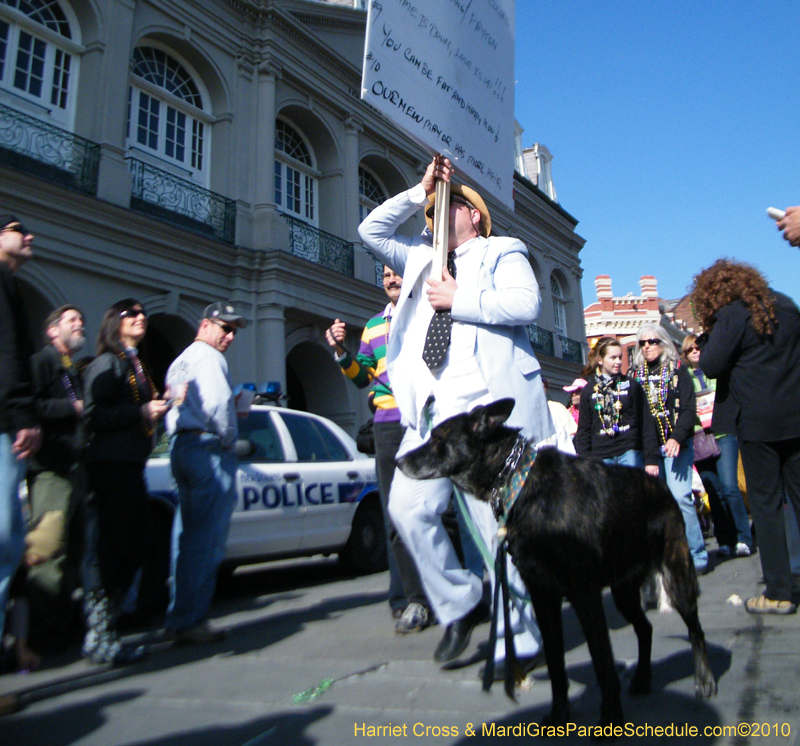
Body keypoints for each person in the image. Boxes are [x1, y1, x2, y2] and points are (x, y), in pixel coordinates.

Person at [358, 155, 554, 673]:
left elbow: (527, 304)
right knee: (407, 507)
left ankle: (522, 637)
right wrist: (417, 189)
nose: (433, 215)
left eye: (445, 206)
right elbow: (369, 230)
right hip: (431, 410)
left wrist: (458, 297)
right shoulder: (419, 258)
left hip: (486, 409)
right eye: (428, 212)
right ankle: (461, 601)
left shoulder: (502, 250)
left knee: (495, 527)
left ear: (473, 214)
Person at [326, 267, 435, 633]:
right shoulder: (373, 326)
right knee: (394, 513)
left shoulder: (425, 315)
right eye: (386, 274)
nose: (390, 279)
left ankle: (445, 593)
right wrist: (341, 352)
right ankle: (406, 597)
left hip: (424, 422)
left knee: (436, 510)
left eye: (396, 273)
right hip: (387, 426)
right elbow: (361, 376)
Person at [692, 259, 800, 614]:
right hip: (796, 415)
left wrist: (709, 334)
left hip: (758, 421)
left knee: (766, 507)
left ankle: (779, 592)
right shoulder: (786, 304)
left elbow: (710, 365)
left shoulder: (732, 315)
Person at [82, 299, 169, 663]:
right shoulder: (107, 363)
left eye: (143, 312)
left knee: (136, 544)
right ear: (113, 322)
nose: (140, 317)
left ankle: (109, 625)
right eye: (131, 313)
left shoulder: (136, 364)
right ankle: (100, 633)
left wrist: (158, 406)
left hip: (132, 463)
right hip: (110, 464)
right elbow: (94, 414)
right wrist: (142, 411)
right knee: (112, 548)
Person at [164, 302, 246, 643]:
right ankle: (191, 620)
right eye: (225, 328)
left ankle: (178, 615)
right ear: (205, 325)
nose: (230, 336)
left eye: (234, 331)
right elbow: (218, 406)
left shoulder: (179, 361)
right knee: (207, 539)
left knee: (185, 537)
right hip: (207, 449)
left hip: (180, 445)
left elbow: (176, 404)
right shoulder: (212, 358)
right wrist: (229, 439)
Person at [26, 305, 87, 648]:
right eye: (72, 320)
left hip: (73, 469)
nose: (80, 325)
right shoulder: (42, 362)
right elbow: (31, 407)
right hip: (50, 471)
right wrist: (72, 408)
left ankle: (61, 622)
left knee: (74, 548)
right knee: (48, 551)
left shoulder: (70, 367)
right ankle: (41, 632)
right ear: (52, 330)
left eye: (81, 321)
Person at [632, 324, 708, 573]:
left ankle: (697, 554)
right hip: (649, 450)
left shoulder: (678, 371)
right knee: (657, 505)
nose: (647, 347)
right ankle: (668, 556)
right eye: (642, 343)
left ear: (663, 343)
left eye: (652, 341)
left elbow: (688, 410)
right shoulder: (635, 376)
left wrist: (676, 437)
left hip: (676, 445)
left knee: (680, 498)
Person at [0, 216, 40, 644]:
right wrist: (21, 415)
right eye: (17, 228)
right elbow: (8, 353)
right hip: (4, 425)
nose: (28, 235)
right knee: (4, 538)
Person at [680, 334, 752, 559]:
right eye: (690, 349)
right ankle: (725, 540)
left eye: (698, 348)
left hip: (723, 432)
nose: (695, 351)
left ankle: (743, 538)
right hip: (699, 438)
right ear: (685, 354)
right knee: (713, 490)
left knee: (730, 487)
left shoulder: (716, 371)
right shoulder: (683, 377)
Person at [575, 337, 659, 469]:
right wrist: (584, 463)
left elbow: (646, 422)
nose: (618, 362)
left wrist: (651, 459)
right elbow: (584, 430)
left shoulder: (631, 385)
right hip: (601, 454)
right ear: (600, 360)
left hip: (629, 450)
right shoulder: (588, 390)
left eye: (620, 357)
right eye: (613, 358)